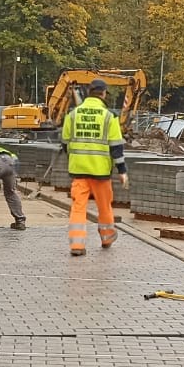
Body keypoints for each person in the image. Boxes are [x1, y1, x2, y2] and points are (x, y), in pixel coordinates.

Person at [61, 78, 128, 256]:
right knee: (104, 206)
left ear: (89, 92)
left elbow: (65, 142)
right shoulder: (109, 116)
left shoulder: (73, 114)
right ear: (104, 93)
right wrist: (122, 171)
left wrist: (74, 158)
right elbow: (116, 147)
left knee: (78, 207)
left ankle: (77, 245)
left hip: (79, 170)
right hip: (100, 171)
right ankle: (106, 238)